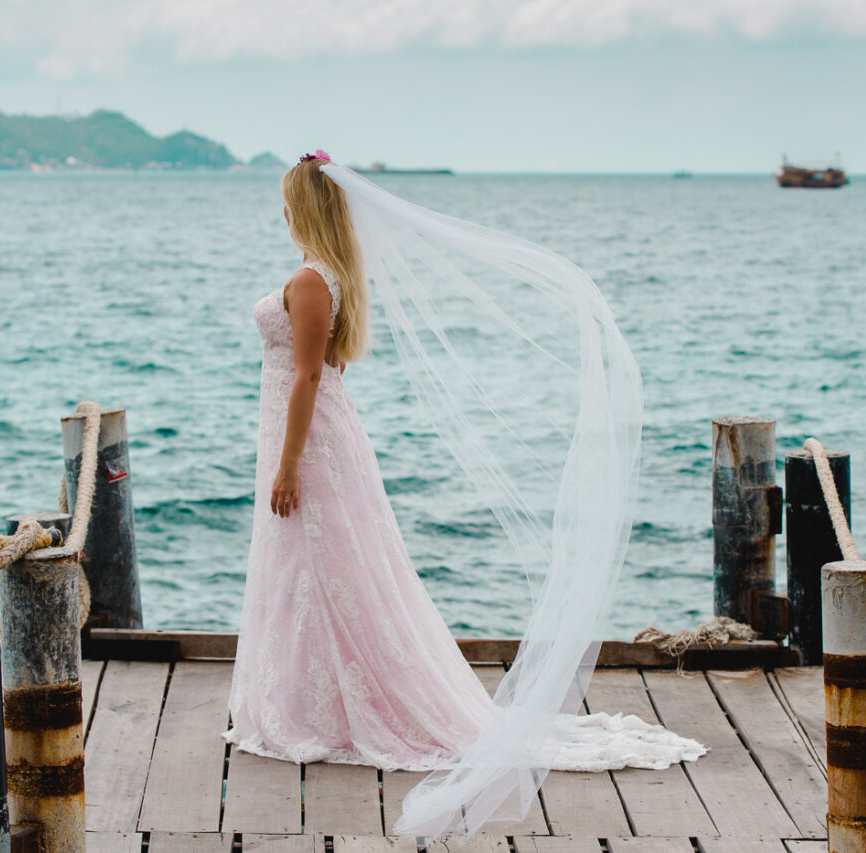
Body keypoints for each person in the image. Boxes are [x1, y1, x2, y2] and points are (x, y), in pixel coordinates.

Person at [222, 151, 705, 837]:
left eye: (286, 200)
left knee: (322, 567)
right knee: (318, 570)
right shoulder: (331, 275)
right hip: (323, 433)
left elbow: (305, 376)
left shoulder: (308, 281)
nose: (280, 210)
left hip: (309, 440)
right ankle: (316, 697)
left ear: (306, 207)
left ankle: (326, 707)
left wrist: (290, 464)